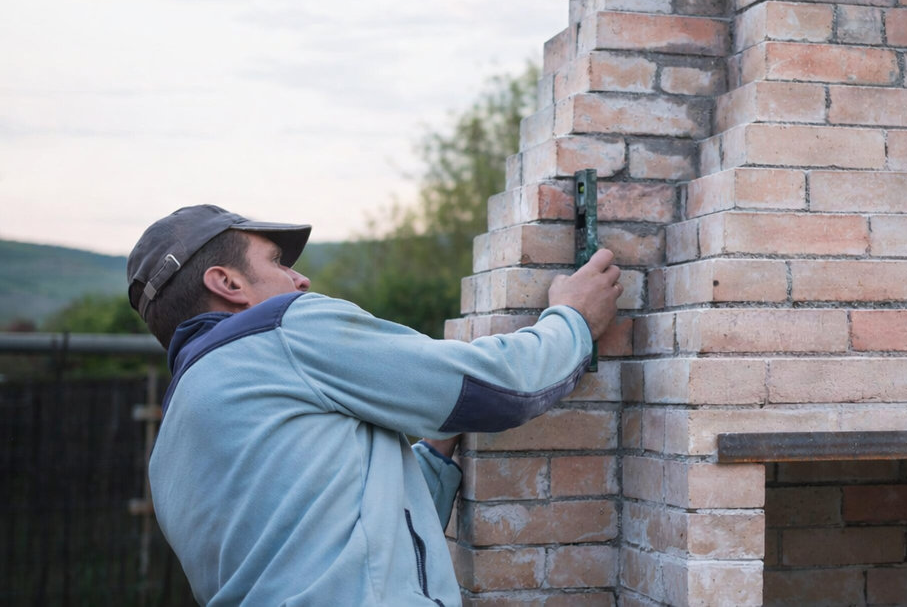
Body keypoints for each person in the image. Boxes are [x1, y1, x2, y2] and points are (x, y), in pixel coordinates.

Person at [126, 204, 621, 606]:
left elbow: (359, 543)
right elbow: (498, 388)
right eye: (277, 262)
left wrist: (435, 447)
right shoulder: (283, 329)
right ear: (228, 283)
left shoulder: (171, 447)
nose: (301, 281)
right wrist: (573, 319)